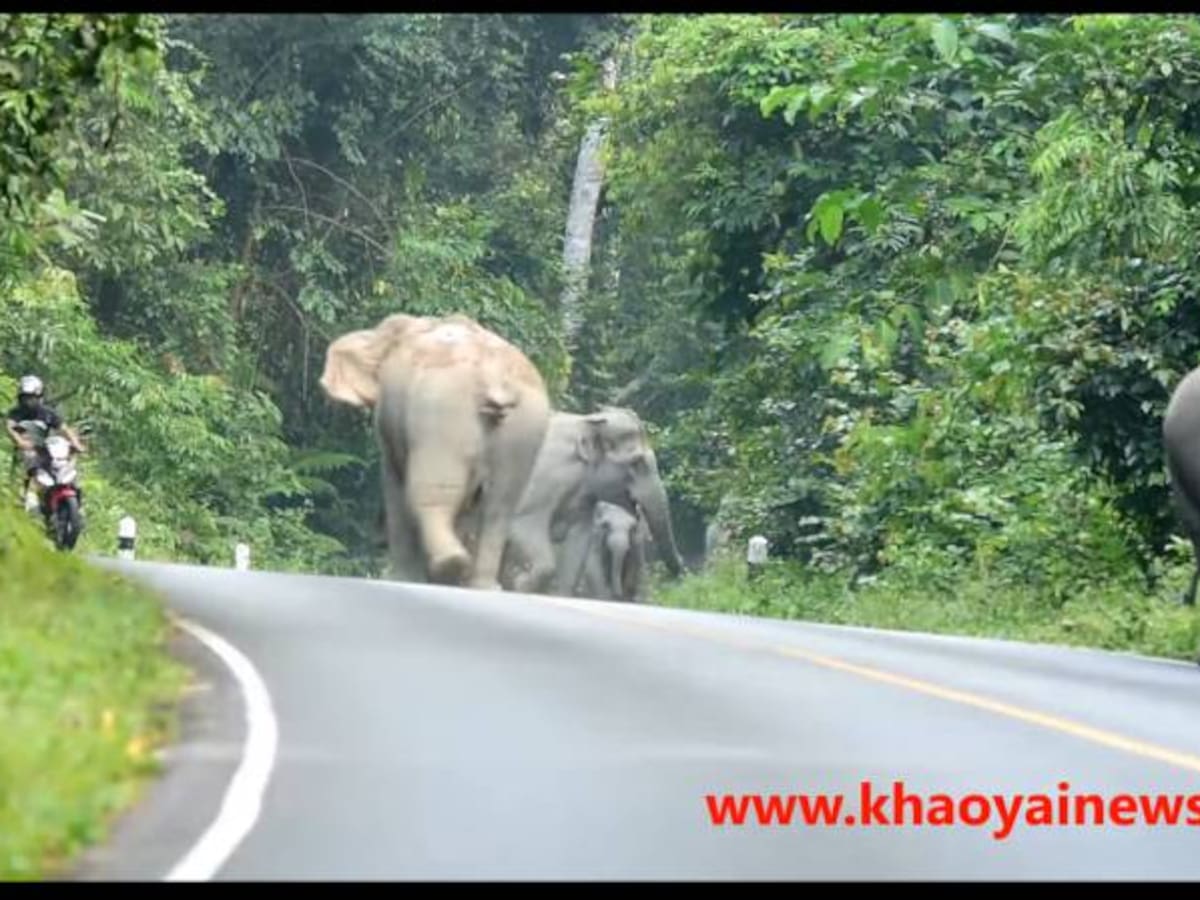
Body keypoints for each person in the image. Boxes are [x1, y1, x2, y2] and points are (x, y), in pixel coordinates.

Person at [5, 375, 85, 499]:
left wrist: (75, 442)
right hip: (27, 449)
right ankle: (25, 494)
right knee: (30, 462)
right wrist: (20, 441)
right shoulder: (16, 413)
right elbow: (10, 428)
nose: (28, 401)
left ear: (39, 397)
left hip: (46, 447)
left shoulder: (48, 413)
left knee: (64, 464)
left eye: (32, 398)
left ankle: (74, 493)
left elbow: (64, 428)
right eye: (25, 398)